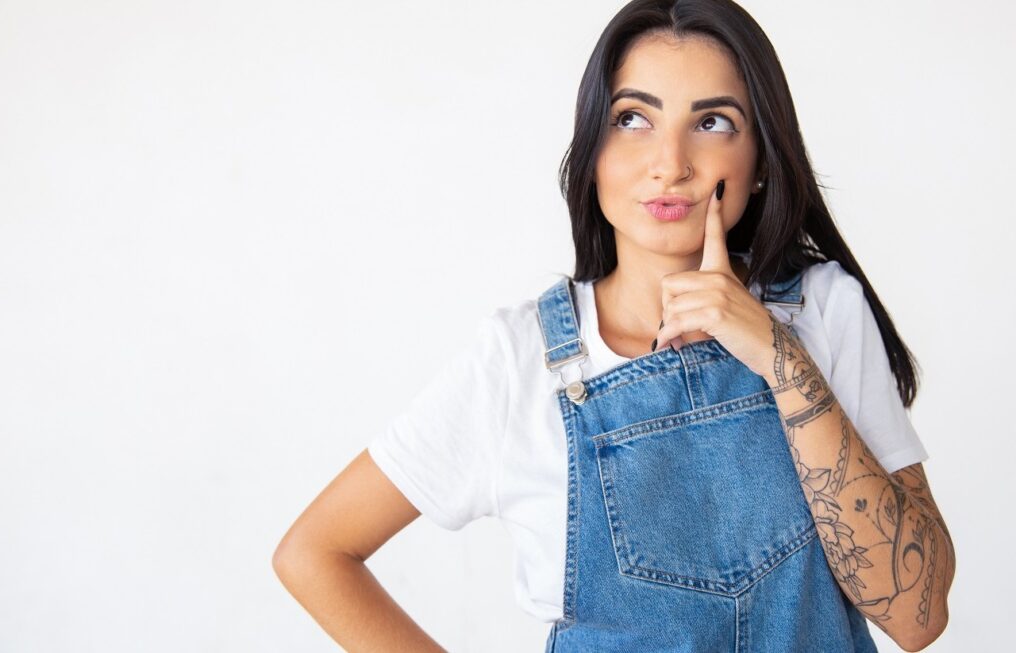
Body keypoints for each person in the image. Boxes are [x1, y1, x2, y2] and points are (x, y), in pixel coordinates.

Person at [272, 0, 955, 650]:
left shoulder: (822, 311)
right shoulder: (520, 361)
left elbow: (917, 617)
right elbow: (315, 552)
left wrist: (781, 357)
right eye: (633, 118)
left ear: (761, 164)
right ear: (592, 152)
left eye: (713, 123)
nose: (671, 164)